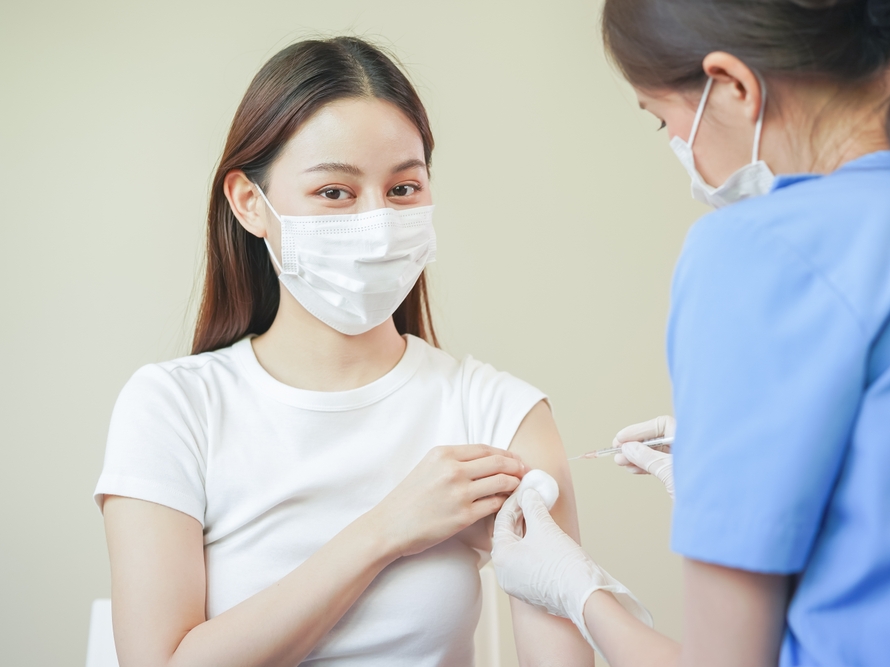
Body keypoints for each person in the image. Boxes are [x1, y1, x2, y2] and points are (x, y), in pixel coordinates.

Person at [491, 0, 890, 665]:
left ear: (732, 85)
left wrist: (578, 590)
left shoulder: (759, 251)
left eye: (660, 117)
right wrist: (749, 463)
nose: (676, 143)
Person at [94, 37, 593, 667]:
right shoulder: (173, 407)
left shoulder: (501, 415)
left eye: (404, 188)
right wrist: (384, 532)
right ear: (251, 203)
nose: (378, 221)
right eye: (335, 192)